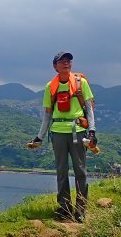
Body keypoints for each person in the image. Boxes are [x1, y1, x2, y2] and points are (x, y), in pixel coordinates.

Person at [28, 52, 96, 222]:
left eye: (68, 60)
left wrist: (92, 132)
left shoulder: (81, 83)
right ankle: (64, 208)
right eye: (62, 61)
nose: (66, 63)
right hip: (57, 132)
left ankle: (81, 210)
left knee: (80, 170)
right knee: (61, 171)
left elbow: (89, 109)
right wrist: (39, 137)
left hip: (78, 131)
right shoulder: (50, 86)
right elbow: (47, 115)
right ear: (55, 66)